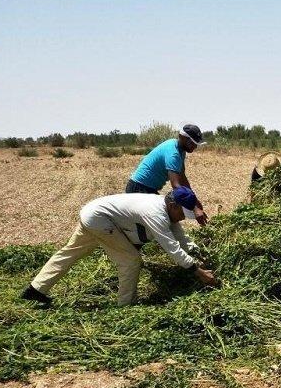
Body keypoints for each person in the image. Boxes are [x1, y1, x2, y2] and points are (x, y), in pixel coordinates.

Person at [20, 187, 217, 308]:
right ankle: (126, 305)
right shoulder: (156, 213)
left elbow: (181, 238)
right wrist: (198, 271)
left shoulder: (165, 207)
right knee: (131, 260)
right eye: (182, 214)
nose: (182, 219)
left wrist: (198, 252)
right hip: (100, 220)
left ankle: (36, 288)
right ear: (173, 206)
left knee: (70, 252)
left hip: (92, 212)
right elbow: (172, 248)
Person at [126, 124, 208, 225]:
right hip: (139, 188)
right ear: (182, 137)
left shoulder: (180, 149)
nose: (195, 146)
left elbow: (182, 178)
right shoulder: (174, 154)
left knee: (163, 220)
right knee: (156, 223)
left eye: (196, 143)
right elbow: (176, 187)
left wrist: (195, 201)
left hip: (147, 188)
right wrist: (195, 208)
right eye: (192, 143)